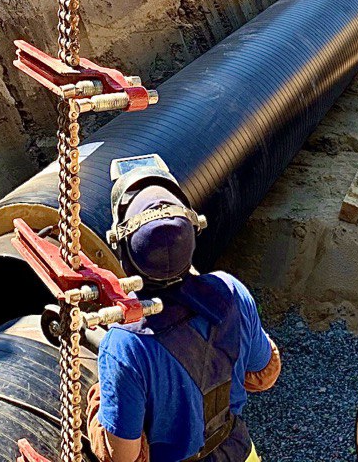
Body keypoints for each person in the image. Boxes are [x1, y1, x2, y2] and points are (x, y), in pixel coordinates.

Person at [87, 156, 281, 462]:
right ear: (193, 231)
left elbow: (123, 456)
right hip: (240, 455)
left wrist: (102, 402)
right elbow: (264, 372)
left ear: (122, 249)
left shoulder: (123, 347)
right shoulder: (230, 291)